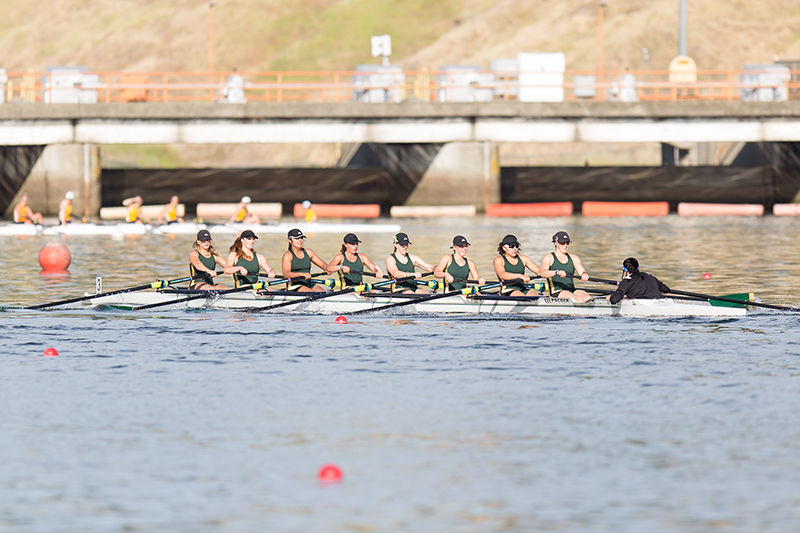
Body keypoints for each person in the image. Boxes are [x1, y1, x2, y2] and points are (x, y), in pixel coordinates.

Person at [540, 231, 592, 303]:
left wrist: (584, 274)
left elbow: (582, 271)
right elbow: (543, 273)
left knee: (587, 297)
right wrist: (556, 272)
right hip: (556, 292)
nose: (565, 245)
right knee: (577, 299)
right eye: (562, 243)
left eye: (567, 243)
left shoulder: (574, 258)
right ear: (556, 243)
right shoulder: (548, 257)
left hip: (571, 290)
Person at [281, 228, 331, 293]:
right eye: (297, 238)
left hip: (309, 283)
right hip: (295, 285)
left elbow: (324, 266)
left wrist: (333, 268)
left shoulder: (309, 252)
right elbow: (286, 274)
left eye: (301, 238)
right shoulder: (288, 255)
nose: (300, 240)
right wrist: (301, 274)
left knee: (321, 291)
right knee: (312, 293)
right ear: (290, 241)